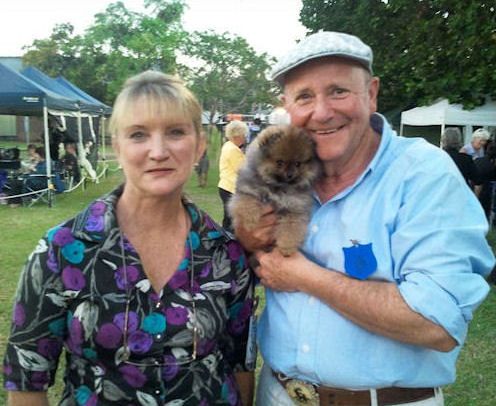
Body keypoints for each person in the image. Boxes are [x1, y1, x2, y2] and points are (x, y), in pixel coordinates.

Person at [234, 31, 494, 406]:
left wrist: (304, 276)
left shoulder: (423, 174)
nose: (321, 111)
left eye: (339, 91)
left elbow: (437, 322)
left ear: (371, 94)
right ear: (287, 106)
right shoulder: (276, 168)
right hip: (277, 394)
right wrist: (248, 237)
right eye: (305, 96)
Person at [3, 71, 255, 405]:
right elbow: (27, 381)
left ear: (199, 145)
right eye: (138, 134)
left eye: (176, 132)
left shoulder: (227, 253)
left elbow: (241, 364)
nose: (158, 150)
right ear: (118, 148)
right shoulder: (60, 251)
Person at [218, 120, 248, 231]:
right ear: (237, 136)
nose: (245, 138)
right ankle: (228, 243)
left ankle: (225, 240)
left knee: (228, 219)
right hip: (231, 188)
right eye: (243, 135)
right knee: (232, 220)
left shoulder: (228, 146)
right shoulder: (233, 150)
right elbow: (242, 170)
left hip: (226, 186)